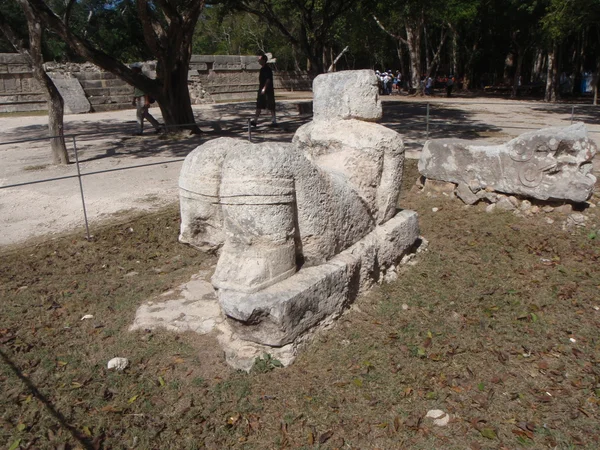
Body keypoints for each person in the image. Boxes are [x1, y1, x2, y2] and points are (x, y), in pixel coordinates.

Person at [131, 65, 161, 135]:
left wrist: (146, 100)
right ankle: (158, 127)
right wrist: (134, 99)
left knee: (139, 115)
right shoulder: (136, 78)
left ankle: (139, 131)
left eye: (133, 69)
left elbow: (145, 90)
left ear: (137, 69)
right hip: (139, 98)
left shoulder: (141, 78)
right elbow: (136, 90)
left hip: (142, 98)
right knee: (146, 115)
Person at [251, 54, 276, 127]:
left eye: (260, 59)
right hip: (262, 89)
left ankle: (274, 121)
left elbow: (268, 79)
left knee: (271, 105)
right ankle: (255, 121)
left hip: (267, 90)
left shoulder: (267, 69)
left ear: (263, 60)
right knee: (259, 104)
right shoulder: (262, 69)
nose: (259, 60)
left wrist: (264, 88)